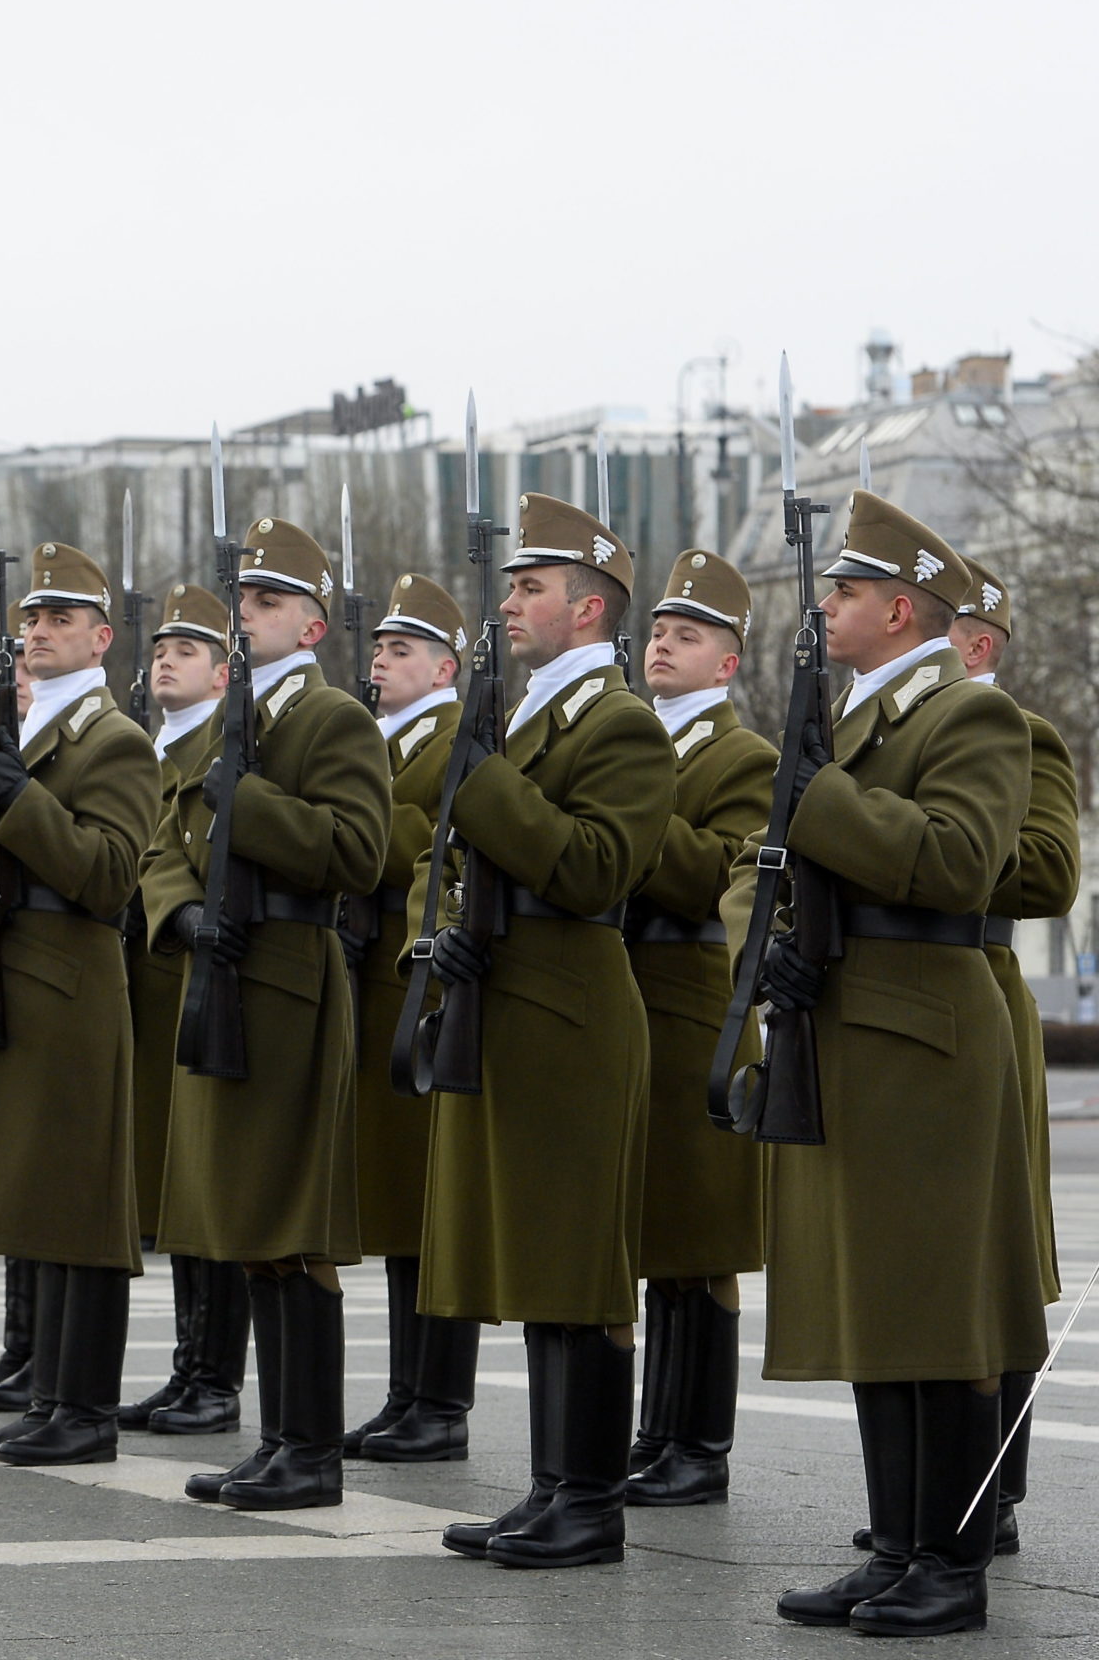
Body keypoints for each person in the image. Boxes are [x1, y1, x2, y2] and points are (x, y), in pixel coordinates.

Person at [752, 498, 1042, 1636]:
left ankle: (952, 1565)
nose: (825, 607)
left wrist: (819, 798)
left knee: (943, 1311)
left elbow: (960, 862)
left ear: (902, 608)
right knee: (880, 1305)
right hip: (854, 1026)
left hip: (928, 1035)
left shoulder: (969, 716)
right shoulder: (858, 719)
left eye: (844, 592)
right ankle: (895, 1549)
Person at [421, 495, 672, 1569]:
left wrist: (476, 779)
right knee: (530, 1254)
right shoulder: (524, 717)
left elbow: (590, 868)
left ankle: (590, 1503)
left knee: (579, 1264)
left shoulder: (618, 722)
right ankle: (547, 1487)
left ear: (587, 611)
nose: (510, 603)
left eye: (529, 588)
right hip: (507, 1001)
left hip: (571, 1009)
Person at [139, 518, 388, 1511]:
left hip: (288, 974)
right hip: (223, 971)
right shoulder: (226, 719)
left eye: (269, 601)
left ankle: (310, 1453)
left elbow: (357, 851)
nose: (248, 615)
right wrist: (184, 910)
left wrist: (247, 802)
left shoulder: (329, 720)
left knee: (290, 1226)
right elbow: (165, 844)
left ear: (315, 624)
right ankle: (277, 1441)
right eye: (243, 600)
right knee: (244, 1222)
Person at [0, 544, 157, 1467]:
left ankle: (85, 1411)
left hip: (71, 986)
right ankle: (49, 1397)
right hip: (11, 980)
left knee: (82, 1207)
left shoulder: (116, 742)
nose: (38, 633)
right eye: (31, 619)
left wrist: (21, 800)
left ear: (102, 638)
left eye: (60, 619)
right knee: (40, 1207)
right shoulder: (13, 736)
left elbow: (108, 877)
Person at [622, 551, 776, 1508]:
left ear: (728, 665)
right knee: (650, 1234)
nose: (662, 648)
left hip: (695, 1001)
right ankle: (655, 1432)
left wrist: (632, 813)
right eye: (658, 632)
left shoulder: (742, 756)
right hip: (634, 999)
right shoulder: (634, 740)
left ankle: (700, 1445)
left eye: (687, 637)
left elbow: (722, 876)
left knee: (699, 1241)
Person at [943, 554, 1078, 1556]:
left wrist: (938, 842)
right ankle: (939, 1493)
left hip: (980, 980)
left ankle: (995, 1489)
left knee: (999, 1254)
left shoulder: (1022, 734)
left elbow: (1048, 873)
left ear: (977, 644)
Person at [342, 574, 477, 1464]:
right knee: (397, 1209)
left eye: (400, 652)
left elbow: (418, 843)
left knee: (431, 1207)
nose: (381, 663)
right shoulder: (380, 746)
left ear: (445, 668)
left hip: (418, 987)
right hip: (372, 986)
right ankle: (405, 1394)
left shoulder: (449, 739)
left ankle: (443, 1401)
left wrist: (350, 808)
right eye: (379, 649)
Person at [109, 586, 239, 1437]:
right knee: (174, 1189)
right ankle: (188, 1366)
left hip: (193, 983)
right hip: (144, 991)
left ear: (225, 674)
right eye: (160, 648)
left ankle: (214, 1376)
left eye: (187, 650)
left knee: (208, 1185)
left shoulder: (223, 748)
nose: (165, 659)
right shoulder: (153, 749)